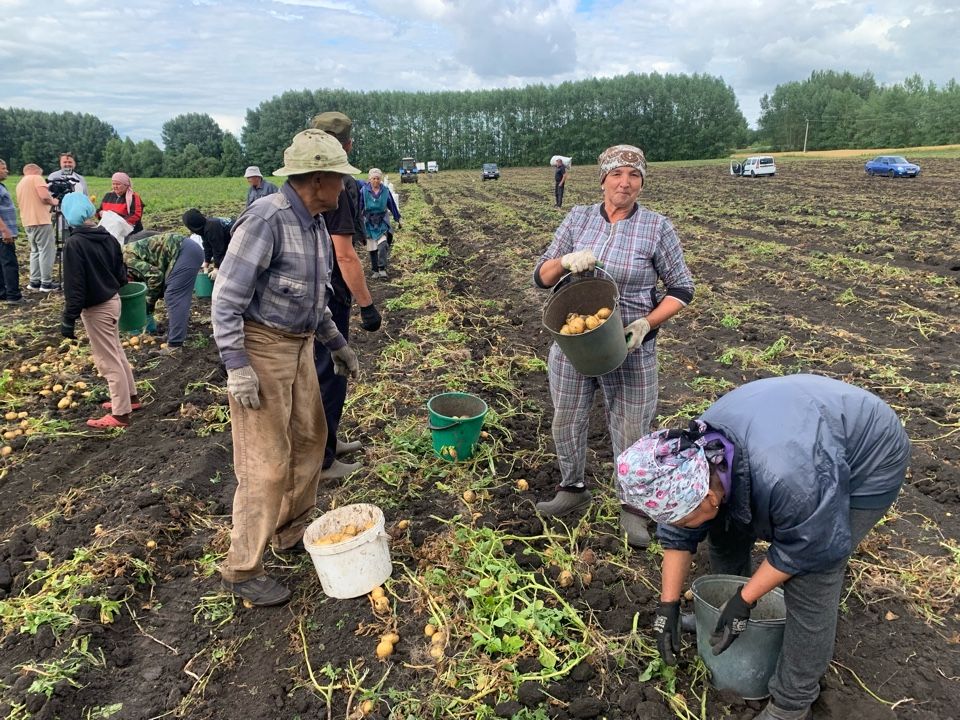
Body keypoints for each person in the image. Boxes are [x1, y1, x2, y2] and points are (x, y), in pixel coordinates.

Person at [617, 375, 911, 720]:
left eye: (683, 519)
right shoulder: (696, 458)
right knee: (724, 531)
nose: (678, 527)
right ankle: (724, 620)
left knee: (812, 581)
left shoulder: (789, 481)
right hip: (796, 427)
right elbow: (679, 534)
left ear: (710, 495)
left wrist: (744, 599)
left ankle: (791, 703)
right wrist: (667, 605)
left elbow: (807, 548)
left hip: (869, 455)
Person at [213, 129, 361, 606]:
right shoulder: (266, 220)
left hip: (299, 347)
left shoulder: (315, 223)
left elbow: (314, 300)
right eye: (339, 178)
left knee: (312, 439)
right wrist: (238, 366)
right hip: (262, 348)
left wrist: (336, 343)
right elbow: (225, 299)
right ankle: (242, 568)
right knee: (265, 462)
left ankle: (291, 528)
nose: (344, 187)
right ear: (317, 179)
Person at [532, 144, 694, 547]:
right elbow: (541, 276)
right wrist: (567, 261)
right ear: (603, 179)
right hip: (574, 341)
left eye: (634, 176)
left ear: (642, 182)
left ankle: (634, 507)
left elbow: (682, 289)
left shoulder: (657, 227)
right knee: (567, 417)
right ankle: (573, 486)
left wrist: (645, 323)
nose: (625, 182)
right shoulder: (578, 217)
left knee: (632, 426)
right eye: (617, 174)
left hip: (629, 344)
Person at [309, 112, 383, 480]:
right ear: (348, 145)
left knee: (327, 373)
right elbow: (345, 252)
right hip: (329, 295)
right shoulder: (341, 184)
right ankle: (323, 459)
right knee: (329, 373)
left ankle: (330, 440)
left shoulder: (301, 182)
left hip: (310, 292)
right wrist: (367, 304)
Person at [59, 192, 140, 429]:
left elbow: (75, 286)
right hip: (113, 300)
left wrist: (68, 318)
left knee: (107, 360)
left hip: (96, 308)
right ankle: (131, 398)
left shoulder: (75, 244)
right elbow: (121, 272)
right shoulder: (107, 237)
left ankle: (121, 414)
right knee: (116, 351)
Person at [123, 230, 204, 350]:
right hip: (183, 252)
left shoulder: (127, 260)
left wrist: (149, 305)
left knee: (173, 296)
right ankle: (174, 336)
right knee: (171, 293)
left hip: (185, 252)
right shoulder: (122, 259)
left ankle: (175, 345)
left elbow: (155, 276)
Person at [15, 164, 60, 292]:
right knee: (47, 251)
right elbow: (45, 196)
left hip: (27, 221)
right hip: (41, 220)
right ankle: (46, 283)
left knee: (35, 251)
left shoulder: (20, 183)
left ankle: (34, 281)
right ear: (35, 171)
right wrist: (54, 201)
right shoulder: (36, 178)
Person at [359, 168, 401, 279]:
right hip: (369, 222)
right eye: (374, 178)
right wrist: (357, 222)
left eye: (378, 178)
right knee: (372, 247)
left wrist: (398, 219)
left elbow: (392, 205)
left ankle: (382, 268)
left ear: (380, 179)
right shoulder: (364, 191)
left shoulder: (385, 191)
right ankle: (375, 270)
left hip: (382, 221)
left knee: (383, 245)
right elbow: (359, 207)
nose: (376, 181)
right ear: (369, 179)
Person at [182, 208, 233, 276]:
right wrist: (206, 262)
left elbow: (218, 249)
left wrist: (216, 268)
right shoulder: (204, 227)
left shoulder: (211, 227)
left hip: (238, 238)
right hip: (227, 239)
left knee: (228, 264)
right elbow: (207, 247)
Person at [0, 159, 23, 303]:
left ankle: (3, 292)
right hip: (3, 233)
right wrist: (4, 230)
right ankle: (14, 295)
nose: (6, 170)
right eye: (3, 168)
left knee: (2, 263)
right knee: (9, 263)